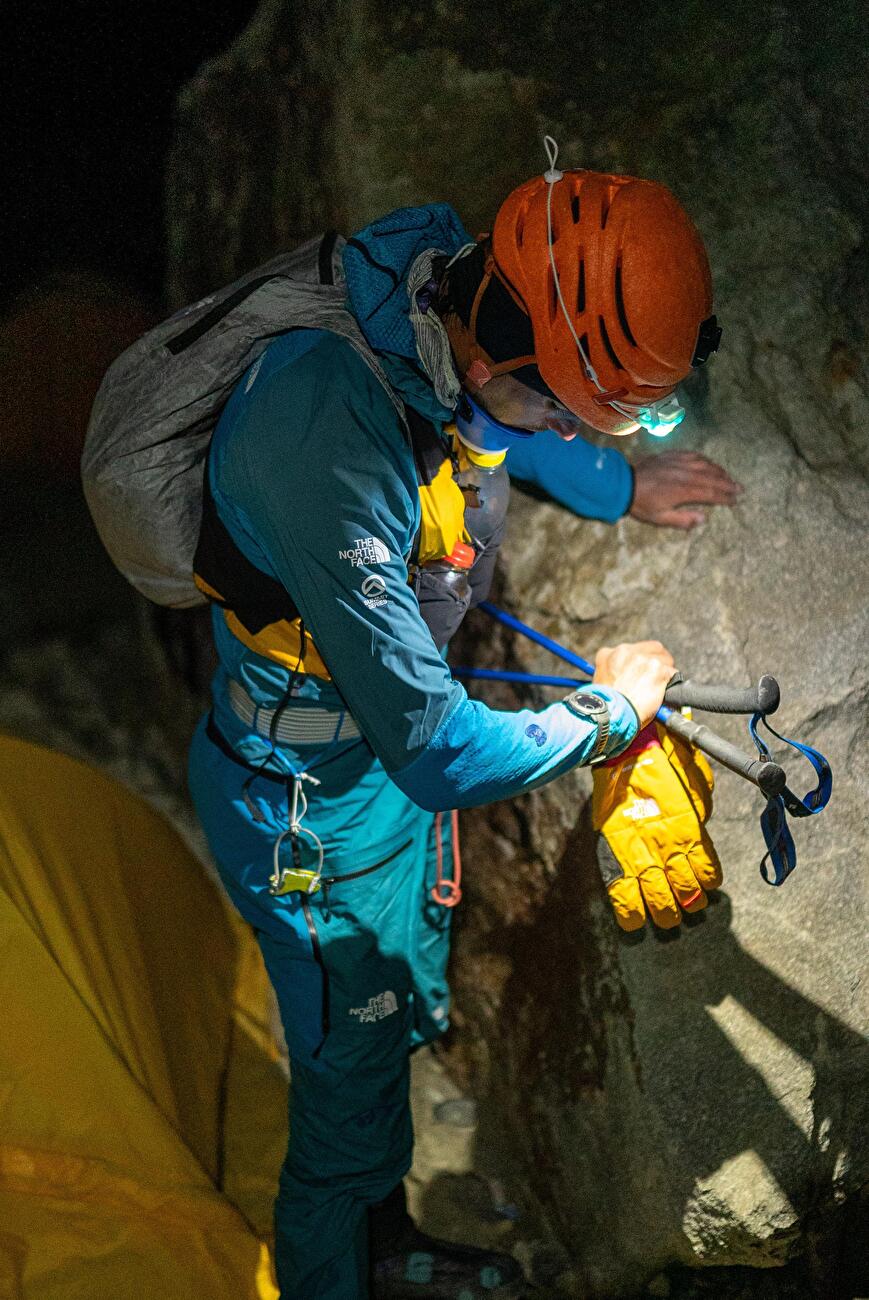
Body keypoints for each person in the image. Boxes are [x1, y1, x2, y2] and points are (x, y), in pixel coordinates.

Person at [186, 140, 741, 1299]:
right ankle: (340, 1266)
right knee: (344, 1074)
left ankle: (384, 1244)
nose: (590, 434)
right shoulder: (325, 446)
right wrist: (606, 715)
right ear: (505, 355)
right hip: (309, 822)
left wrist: (618, 480)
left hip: (364, 778)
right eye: (587, 415)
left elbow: (496, 429)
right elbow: (435, 746)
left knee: (379, 1036)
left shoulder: (451, 279)